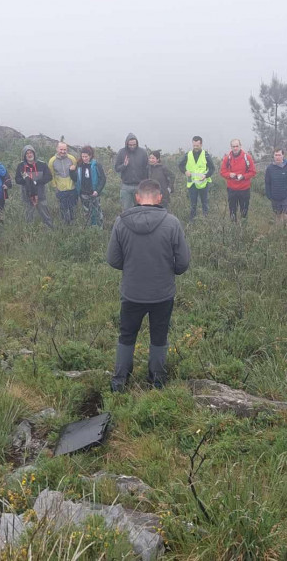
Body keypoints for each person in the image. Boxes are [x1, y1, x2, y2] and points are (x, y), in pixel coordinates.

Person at [106, 179, 191, 392]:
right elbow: (182, 263)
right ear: (159, 197)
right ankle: (157, 382)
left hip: (132, 292)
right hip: (162, 293)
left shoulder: (121, 222)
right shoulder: (172, 222)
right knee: (159, 336)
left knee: (126, 336)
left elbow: (113, 260)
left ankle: (119, 383)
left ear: (137, 197)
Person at [14, 145, 54, 228]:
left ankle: (50, 229)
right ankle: (29, 232)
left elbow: (49, 177)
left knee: (45, 214)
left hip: (41, 194)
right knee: (28, 215)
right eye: (27, 153)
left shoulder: (42, 164)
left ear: (34, 153)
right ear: (24, 156)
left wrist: (36, 182)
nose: (29, 155)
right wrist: (26, 181)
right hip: (27, 195)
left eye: (31, 152)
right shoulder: (21, 166)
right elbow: (17, 179)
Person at [219, 139, 257, 222]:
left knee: (244, 210)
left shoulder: (247, 157)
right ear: (231, 147)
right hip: (232, 189)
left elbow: (253, 172)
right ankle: (233, 229)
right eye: (233, 146)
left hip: (244, 189)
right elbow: (222, 172)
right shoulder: (227, 158)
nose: (235, 148)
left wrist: (243, 177)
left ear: (240, 146)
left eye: (237, 146)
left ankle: (243, 227)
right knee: (232, 211)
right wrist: (229, 174)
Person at [180, 136, 215, 221]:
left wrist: (206, 176)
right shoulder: (188, 154)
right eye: (194, 145)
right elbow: (180, 165)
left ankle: (205, 220)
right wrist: (185, 171)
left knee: (204, 203)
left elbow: (212, 168)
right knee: (193, 204)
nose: (195, 147)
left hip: (203, 183)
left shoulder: (206, 155)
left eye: (197, 145)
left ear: (201, 144)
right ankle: (192, 221)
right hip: (192, 183)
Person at [115, 133, 150, 211]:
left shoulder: (143, 152)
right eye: (130, 145)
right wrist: (124, 165)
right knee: (127, 210)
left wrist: (146, 184)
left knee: (141, 209)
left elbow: (147, 169)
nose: (132, 146)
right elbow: (116, 168)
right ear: (126, 143)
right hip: (126, 186)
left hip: (140, 186)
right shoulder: (121, 152)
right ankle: (128, 223)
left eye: (134, 144)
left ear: (137, 143)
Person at [265, 148, 287, 229]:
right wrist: (269, 195)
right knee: (278, 216)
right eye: (276, 155)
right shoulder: (270, 168)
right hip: (275, 197)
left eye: (279, 155)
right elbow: (267, 183)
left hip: (286, 197)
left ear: (283, 155)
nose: (277, 157)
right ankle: (279, 234)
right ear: (273, 156)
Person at [76, 146, 107, 227]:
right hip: (83, 193)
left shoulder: (96, 165)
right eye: (83, 156)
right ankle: (89, 229)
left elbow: (103, 179)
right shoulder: (79, 165)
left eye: (86, 156)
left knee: (96, 211)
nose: (84, 158)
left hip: (94, 193)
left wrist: (97, 190)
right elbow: (75, 178)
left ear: (90, 156)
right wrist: (71, 171)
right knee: (87, 212)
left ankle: (99, 228)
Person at [48, 142, 78, 224]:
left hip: (72, 187)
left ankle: (73, 222)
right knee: (63, 208)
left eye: (64, 149)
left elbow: (76, 172)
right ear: (57, 149)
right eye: (61, 149)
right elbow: (51, 175)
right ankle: (65, 223)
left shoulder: (72, 158)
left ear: (67, 150)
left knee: (73, 207)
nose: (63, 151)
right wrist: (55, 186)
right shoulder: (52, 161)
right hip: (60, 189)